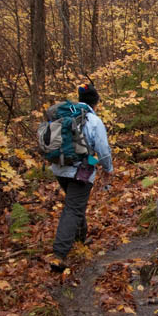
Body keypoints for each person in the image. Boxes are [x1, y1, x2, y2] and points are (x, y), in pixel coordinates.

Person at [49, 83, 113, 272]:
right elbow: (102, 150)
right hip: (81, 171)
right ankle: (59, 255)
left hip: (60, 168)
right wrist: (108, 168)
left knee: (76, 205)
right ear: (97, 103)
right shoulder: (94, 121)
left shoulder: (66, 114)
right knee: (73, 208)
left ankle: (79, 240)